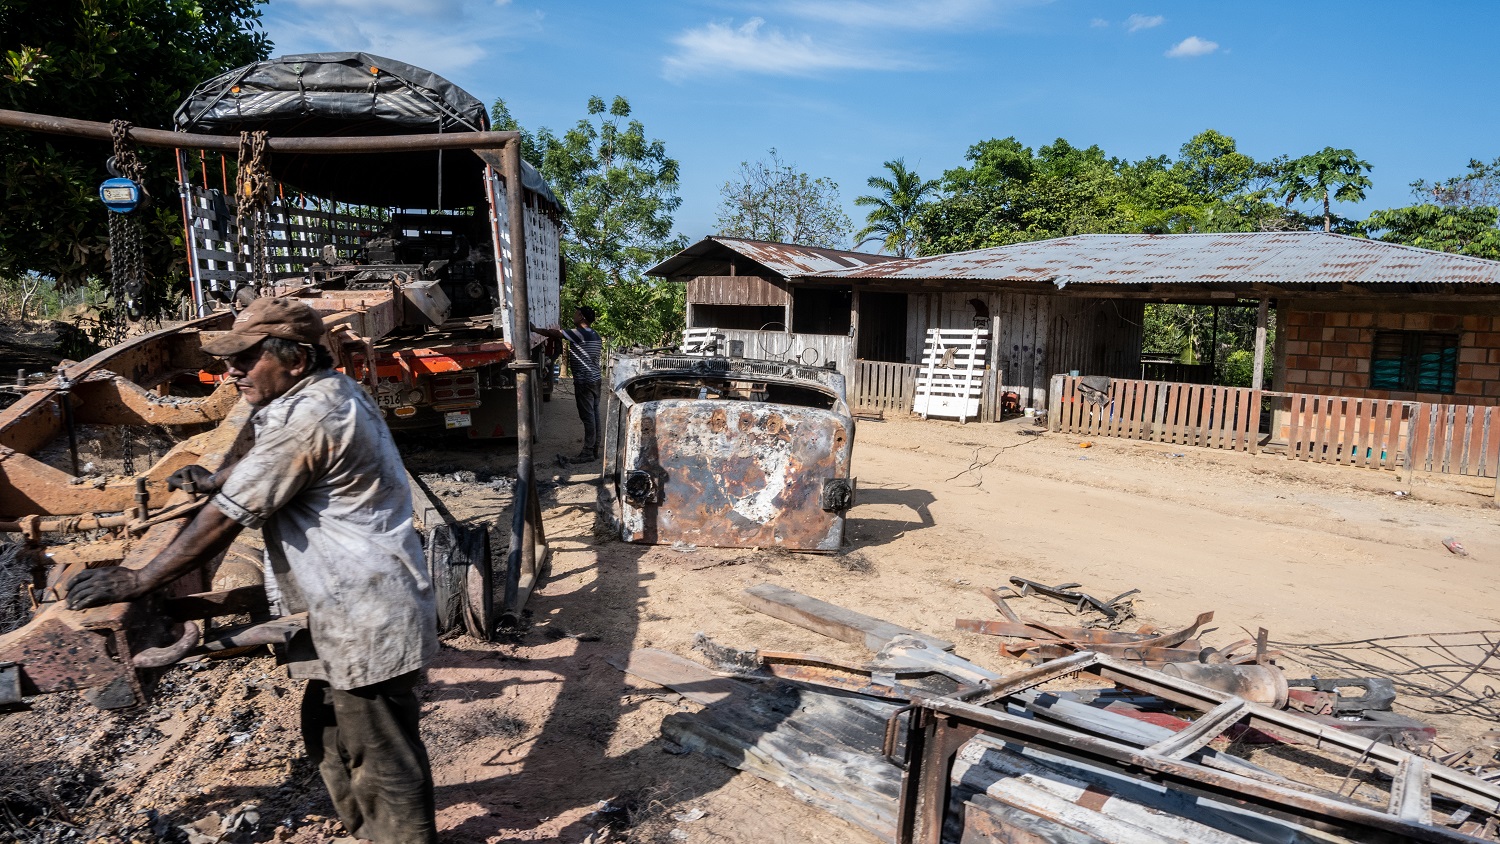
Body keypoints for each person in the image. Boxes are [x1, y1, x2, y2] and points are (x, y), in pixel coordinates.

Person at [65, 296, 439, 844]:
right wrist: (220, 477)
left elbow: (224, 521)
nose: (231, 370)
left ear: (295, 359)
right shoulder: (324, 395)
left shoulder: (312, 415)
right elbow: (277, 458)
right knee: (331, 735)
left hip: (364, 612)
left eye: (246, 357)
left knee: (381, 756)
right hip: (343, 606)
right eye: (228, 358)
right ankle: (374, 835)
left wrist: (141, 579)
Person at [532, 305, 603, 463]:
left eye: (577, 313)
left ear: (582, 317)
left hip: (584, 381)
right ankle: (594, 448)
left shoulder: (579, 334)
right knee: (595, 414)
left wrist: (535, 329)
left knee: (588, 417)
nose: (574, 315)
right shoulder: (595, 334)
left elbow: (554, 333)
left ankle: (588, 452)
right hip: (595, 379)